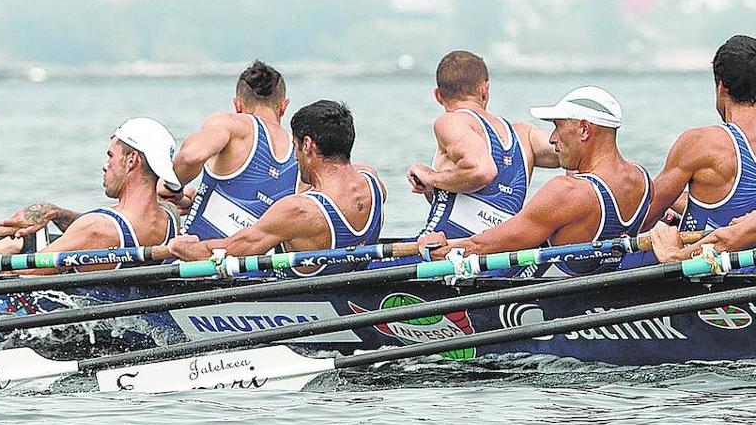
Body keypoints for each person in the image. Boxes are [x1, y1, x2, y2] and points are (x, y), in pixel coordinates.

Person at [420, 86, 651, 275]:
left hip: (535, 300)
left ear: (584, 130)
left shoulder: (567, 192)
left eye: (557, 127)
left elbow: (479, 247)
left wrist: (437, 248)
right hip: (595, 290)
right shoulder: (642, 179)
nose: (552, 138)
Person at [0, 117, 180, 272]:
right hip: (123, 304)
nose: (105, 165)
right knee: (26, 238)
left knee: (17, 246)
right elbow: (113, 232)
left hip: (62, 314)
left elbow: (21, 279)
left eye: (110, 156)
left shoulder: (96, 228)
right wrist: (56, 214)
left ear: (131, 160)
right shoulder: (170, 219)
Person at [168, 100, 384, 276]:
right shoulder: (375, 185)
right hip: (344, 287)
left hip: (299, 306)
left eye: (295, 148)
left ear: (307, 145)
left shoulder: (299, 211)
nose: (296, 158)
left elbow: (232, 251)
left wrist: (186, 248)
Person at [407, 50, 558, 238]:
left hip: (445, 254)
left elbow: (481, 172)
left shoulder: (451, 121)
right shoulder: (525, 135)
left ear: (438, 95)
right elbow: (580, 150)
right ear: (484, 90)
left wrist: (432, 178)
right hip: (499, 254)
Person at [164, 60, 299, 239]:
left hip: (197, 262)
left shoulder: (234, 125)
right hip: (259, 265)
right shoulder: (301, 152)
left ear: (237, 105)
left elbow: (190, 157)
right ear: (283, 106)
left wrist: (171, 187)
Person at [644, 35, 756, 237]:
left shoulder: (701, 144)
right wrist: (677, 201)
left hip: (710, 264)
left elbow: (645, 217)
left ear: (722, 86)